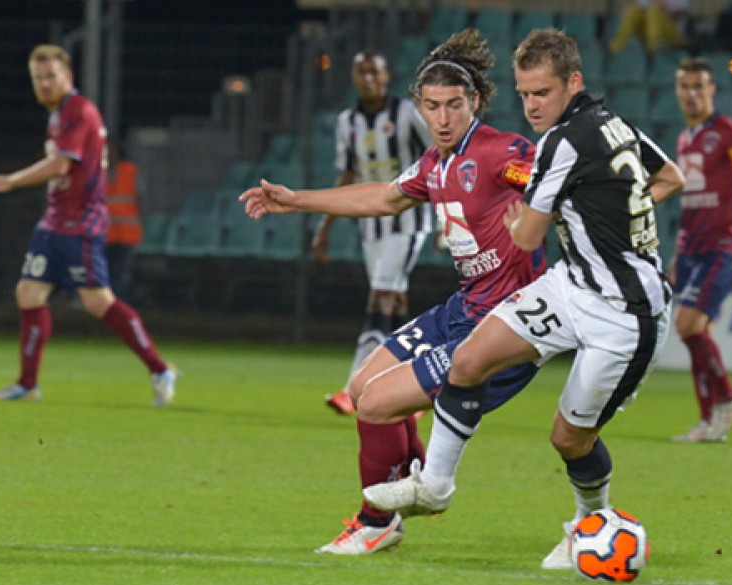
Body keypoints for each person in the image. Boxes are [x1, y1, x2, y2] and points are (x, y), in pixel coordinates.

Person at [362, 28, 685, 570]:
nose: (533, 105)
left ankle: (588, 525)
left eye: (544, 93)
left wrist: (542, 223)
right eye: (526, 93)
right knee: (469, 358)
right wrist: (612, 219)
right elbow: (669, 177)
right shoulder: (616, 126)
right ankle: (435, 485)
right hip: (573, 285)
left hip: (626, 316)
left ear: (573, 83)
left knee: (569, 439)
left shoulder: (561, 143)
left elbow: (528, 236)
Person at [240, 28, 546, 555]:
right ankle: (413, 476)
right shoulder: (435, 164)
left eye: (454, 105)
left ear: (473, 102)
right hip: (463, 308)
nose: (443, 118)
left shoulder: (500, 152)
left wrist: (539, 217)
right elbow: (382, 197)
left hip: (505, 327)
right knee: (363, 387)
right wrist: (297, 201)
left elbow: (553, 178)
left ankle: (376, 521)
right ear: (420, 109)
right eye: (432, 107)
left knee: (376, 406)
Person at [0, 44, 177, 405]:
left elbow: (59, 166)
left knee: (98, 301)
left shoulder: (78, 112)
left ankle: (159, 369)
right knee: (29, 292)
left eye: (51, 77)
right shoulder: (59, 115)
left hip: (79, 223)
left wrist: (9, 180)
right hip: (54, 222)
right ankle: (27, 384)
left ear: (68, 77)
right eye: (38, 79)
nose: (44, 84)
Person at [312, 50, 434, 417]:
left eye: (374, 73)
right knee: (394, 303)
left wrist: (448, 217)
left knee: (379, 296)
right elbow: (348, 174)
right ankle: (413, 391)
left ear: (385, 77)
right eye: (361, 72)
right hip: (371, 223)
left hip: (408, 221)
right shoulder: (347, 121)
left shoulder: (406, 115)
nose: (368, 79)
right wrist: (325, 225)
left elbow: (439, 158)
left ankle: (355, 388)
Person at [667, 56, 732, 443]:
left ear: (712, 90)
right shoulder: (685, 139)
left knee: (687, 325)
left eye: (698, 86)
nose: (691, 94)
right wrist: (678, 252)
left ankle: (726, 397)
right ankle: (710, 420)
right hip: (692, 247)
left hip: (722, 245)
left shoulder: (730, 134)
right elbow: (690, 200)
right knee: (695, 331)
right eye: (684, 86)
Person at [104, 146, 142, 302]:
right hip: (104, 234)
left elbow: (140, 198)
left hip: (125, 234)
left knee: (119, 272)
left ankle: (118, 303)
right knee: (104, 271)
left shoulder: (130, 172)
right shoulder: (97, 172)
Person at [608, 0, 691, 54]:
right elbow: (640, 8)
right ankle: (615, 48)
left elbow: (679, 14)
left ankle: (653, 50)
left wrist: (662, 9)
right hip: (648, 32)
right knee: (633, 10)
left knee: (654, 10)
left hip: (674, 34)